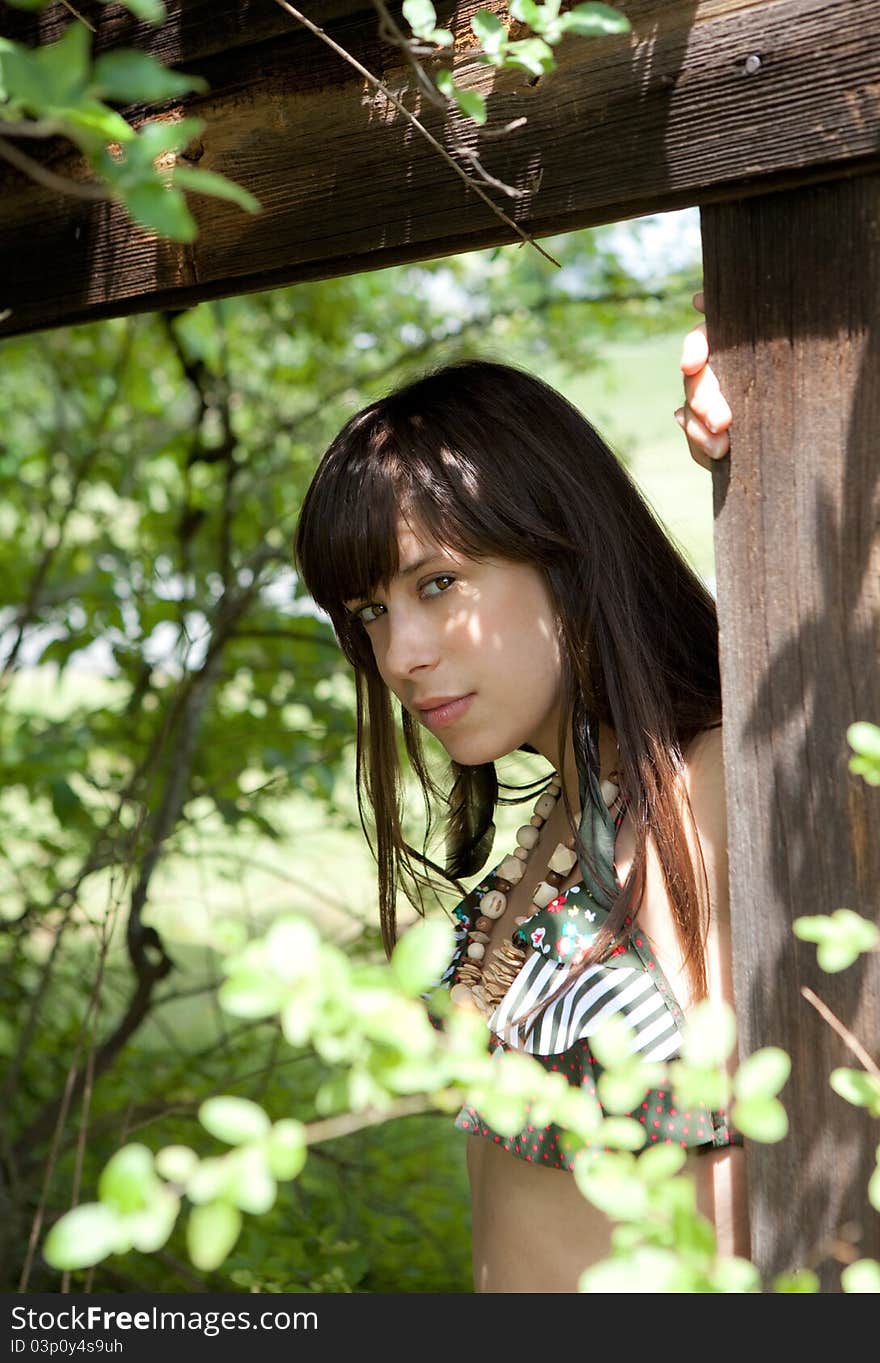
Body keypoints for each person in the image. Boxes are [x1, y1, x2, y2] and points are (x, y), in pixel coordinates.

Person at [293, 298, 743, 1293]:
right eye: (371, 611)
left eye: (438, 583)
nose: (400, 656)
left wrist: (765, 356)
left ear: (562, 547)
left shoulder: (722, 785)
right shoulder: (559, 820)